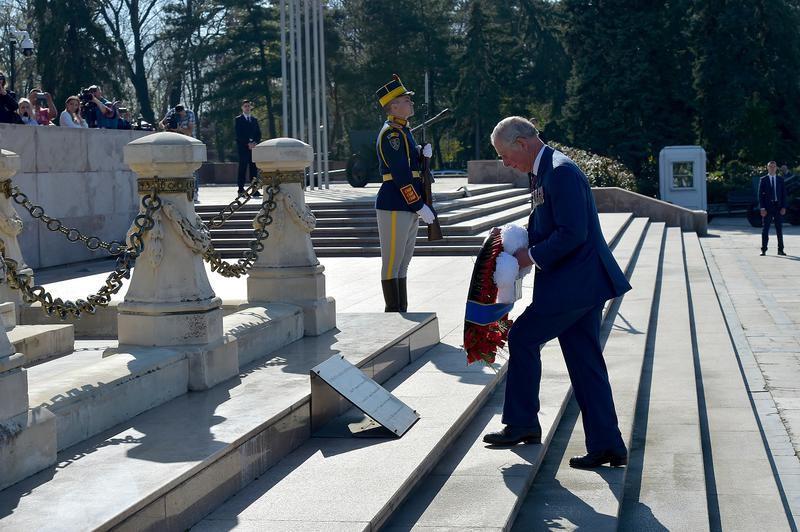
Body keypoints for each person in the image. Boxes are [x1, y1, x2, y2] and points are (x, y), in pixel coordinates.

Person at [482, 116, 631, 469]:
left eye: (505, 155)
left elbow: (572, 233)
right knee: (585, 364)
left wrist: (529, 255)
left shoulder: (560, 171)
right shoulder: (545, 168)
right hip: (579, 284)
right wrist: (514, 240)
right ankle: (608, 444)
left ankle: (522, 423)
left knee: (522, 337)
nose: (505, 163)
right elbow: (546, 222)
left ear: (522, 142)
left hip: (575, 285)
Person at [373, 74, 435, 312]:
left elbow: (410, 165)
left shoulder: (403, 130)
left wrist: (421, 155)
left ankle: (402, 309)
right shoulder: (392, 134)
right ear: (393, 105)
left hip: (406, 204)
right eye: (405, 99)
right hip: (395, 203)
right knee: (392, 263)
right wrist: (418, 204)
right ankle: (392, 311)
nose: (411, 102)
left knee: (403, 263)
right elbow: (400, 174)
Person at [234, 99, 262, 197]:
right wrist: (247, 143)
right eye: (245, 106)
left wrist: (255, 142)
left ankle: (254, 189)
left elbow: (258, 134)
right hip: (243, 148)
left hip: (253, 149)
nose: (247, 108)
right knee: (242, 169)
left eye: (248, 106)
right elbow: (238, 135)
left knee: (253, 169)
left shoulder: (254, 120)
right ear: (242, 108)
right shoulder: (238, 119)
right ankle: (241, 189)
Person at [759, 160, 787, 256]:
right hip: (767, 208)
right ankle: (763, 249)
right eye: (770, 166)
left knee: (779, 229)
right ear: (767, 168)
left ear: (776, 168)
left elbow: (784, 195)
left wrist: (783, 207)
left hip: (778, 207)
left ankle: (780, 250)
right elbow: (760, 195)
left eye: (774, 166)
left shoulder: (780, 179)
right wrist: (762, 208)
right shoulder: (763, 179)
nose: (772, 168)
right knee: (765, 229)